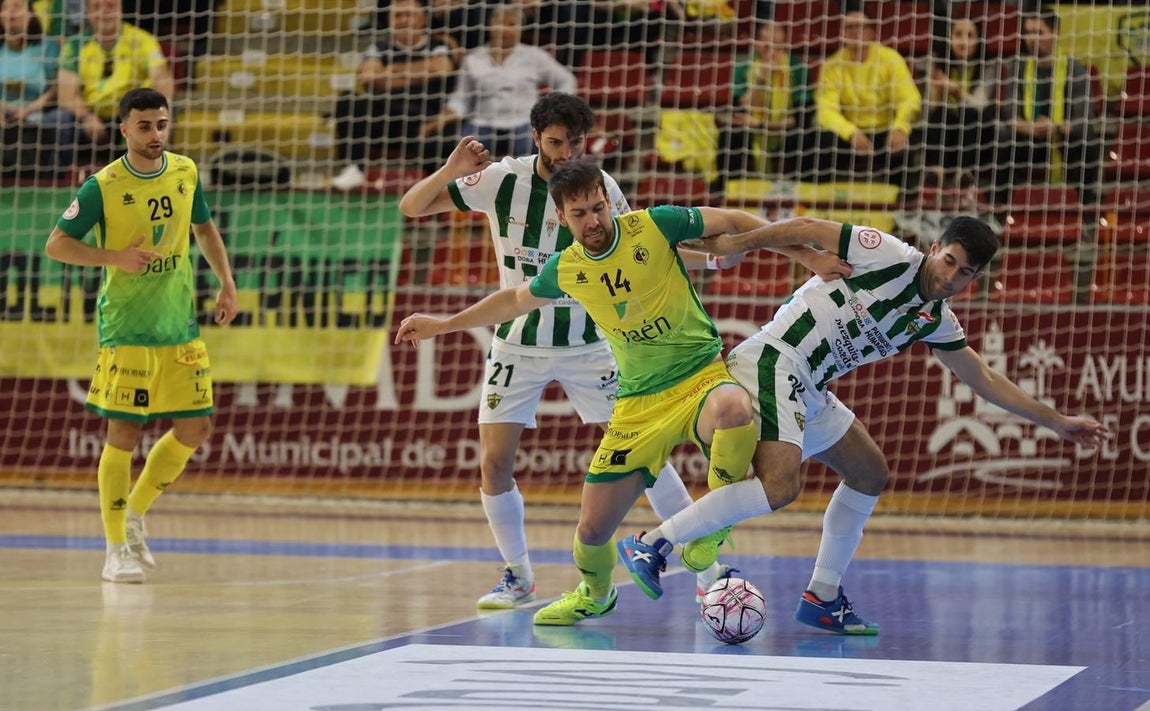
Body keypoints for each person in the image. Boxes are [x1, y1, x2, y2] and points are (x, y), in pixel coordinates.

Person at [397, 158, 851, 625]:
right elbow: (514, 300)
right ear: (561, 218)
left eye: (599, 208)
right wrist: (444, 324)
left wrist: (806, 255)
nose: (593, 221)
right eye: (580, 214)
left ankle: (712, 530)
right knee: (592, 531)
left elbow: (733, 222)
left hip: (699, 377)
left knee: (735, 408)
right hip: (637, 404)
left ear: (610, 200)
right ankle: (595, 594)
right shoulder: (567, 267)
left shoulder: (656, 225)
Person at [634, 214, 1110, 634]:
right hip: (775, 360)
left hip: (811, 386)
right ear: (933, 249)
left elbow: (983, 378)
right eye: (948, 261)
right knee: (780, 486)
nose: (951, 277)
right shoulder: (886, 253)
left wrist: (1057, 421)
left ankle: (822, 596)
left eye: (966, 273)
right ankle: (653, 544)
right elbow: (802, 227)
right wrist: (743, 247)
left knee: (869, 473)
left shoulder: (934, 319)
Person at [400, 93, 746, 610]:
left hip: (591, 345)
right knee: (494, 463)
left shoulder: (599, 186)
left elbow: (641, 251)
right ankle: (518, 576)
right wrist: (451, 168)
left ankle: (709, 571)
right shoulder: (501, 179)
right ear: (535, 137)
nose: (566, 153)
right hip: (518, 343)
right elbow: (411, 206)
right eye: (556, 142)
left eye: (576, 143)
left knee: (646, 457)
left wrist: (713, 263)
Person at [44, 87, 238, 583]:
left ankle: (133, 514)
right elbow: (57, 245)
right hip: (126, 325)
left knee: (196, 429)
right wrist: (115, 258)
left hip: (179, 324)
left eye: (162, 124)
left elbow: (205, 229)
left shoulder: (185, 170)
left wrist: (226, 282)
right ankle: (114, 551)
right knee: (124, 433)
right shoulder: (102, 186)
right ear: (125, 128)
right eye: (145, 126)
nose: (156, 134)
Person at [331, 0, 459, 190]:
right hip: (385, 120)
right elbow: (370, 76)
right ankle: (354, 168)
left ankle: (438, 188)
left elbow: (441, 68)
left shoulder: (438, 46)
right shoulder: (379, 48)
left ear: (423, 18)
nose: (403, 20)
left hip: (424, 120)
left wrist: (392, 71)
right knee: (349, 100)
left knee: (447, 134)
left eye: (409, 15)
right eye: (397, 16)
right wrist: (422, 72)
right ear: (389, 21)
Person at [419, 3, 575, 160]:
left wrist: (552, 110)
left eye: (511, 24)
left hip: (524, 121)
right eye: (500, 23)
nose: (505, 29)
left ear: (521, 28)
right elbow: (461, 98)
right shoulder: (473, 58)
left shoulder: (535, 56)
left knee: (534, 150)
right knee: (464, 150)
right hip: (482, 121)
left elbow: (566, 80)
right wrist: (444, 117)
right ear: (491, 25)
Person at [993, 8, 1102, 205]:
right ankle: (1005, 204)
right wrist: (1032, 128)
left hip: (1062, 139)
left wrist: (1056, 127)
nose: (1032, 39)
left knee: (1088, 141)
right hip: (1030, 138)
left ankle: (1083, 203)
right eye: (1028, 32)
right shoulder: (1018, 68)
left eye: (1038, 32)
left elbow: (1083, 118)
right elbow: (1010, 113)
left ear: (1055, 32)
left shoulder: (1075, 69)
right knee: (1003, 138)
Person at [813, 7, 921, 189]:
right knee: (821, 142)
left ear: (872, 32)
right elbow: (826, 110)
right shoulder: (832, 66)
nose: (855, 32)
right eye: (850, 27)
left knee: (903, 148)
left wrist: (900, 127)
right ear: (842, 33)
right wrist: (851, 133)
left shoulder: (890, 59)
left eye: (861, 27)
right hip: (851, 134)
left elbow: (910, 99)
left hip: (885, 132)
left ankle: (901, 205)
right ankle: (821, 201)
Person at [55, 0, 174, 162]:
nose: (104, 11)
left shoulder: (142, 40)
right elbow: (66, 96)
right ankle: (61, 180)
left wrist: (146, 111)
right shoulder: (74, 46)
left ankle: (152, 172)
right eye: (97, 7)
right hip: (90, 116)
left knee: (161, 113)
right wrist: (86, 117)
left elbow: (163, 80)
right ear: (88, 11)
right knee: (59, 119)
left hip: (133, 113)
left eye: (110, 5)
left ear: (120, 9)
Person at [713, 19, 814, 193]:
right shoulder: (744, 68)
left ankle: (803, 192)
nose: (771, 52)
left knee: (805, 139)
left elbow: (800, 119)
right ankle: (728, 191)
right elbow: (738, 111)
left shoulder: (798, 69)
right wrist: (761, 79)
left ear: (784, 45)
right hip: (750, 128)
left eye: (777, 46)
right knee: (729, 136)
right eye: (767, 46)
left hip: (783, 130)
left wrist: (761, 125)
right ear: (757, 44)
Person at [920, 14, 998, 187]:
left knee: (969, 114)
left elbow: (981, 103)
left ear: (978, 40)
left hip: (975, 130)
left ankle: (963, 175)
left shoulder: (989, 64)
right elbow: (929, 109)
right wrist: (937, 91)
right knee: (940, 114)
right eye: (958, 34)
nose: (963, 41)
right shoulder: (935, 61)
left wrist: (956, 91)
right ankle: (936, 173)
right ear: (949, 37)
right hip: (945, 128)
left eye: (970, 35)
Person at [1, 0, 72, 176]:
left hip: (38, 111)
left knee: (61, 117)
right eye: (6, 8)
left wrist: (27, 110)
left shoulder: (47, 46)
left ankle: (57, 175)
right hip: (3, 112)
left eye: (17, 7)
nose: (11, 12)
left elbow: (55, 88)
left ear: (31, 15)